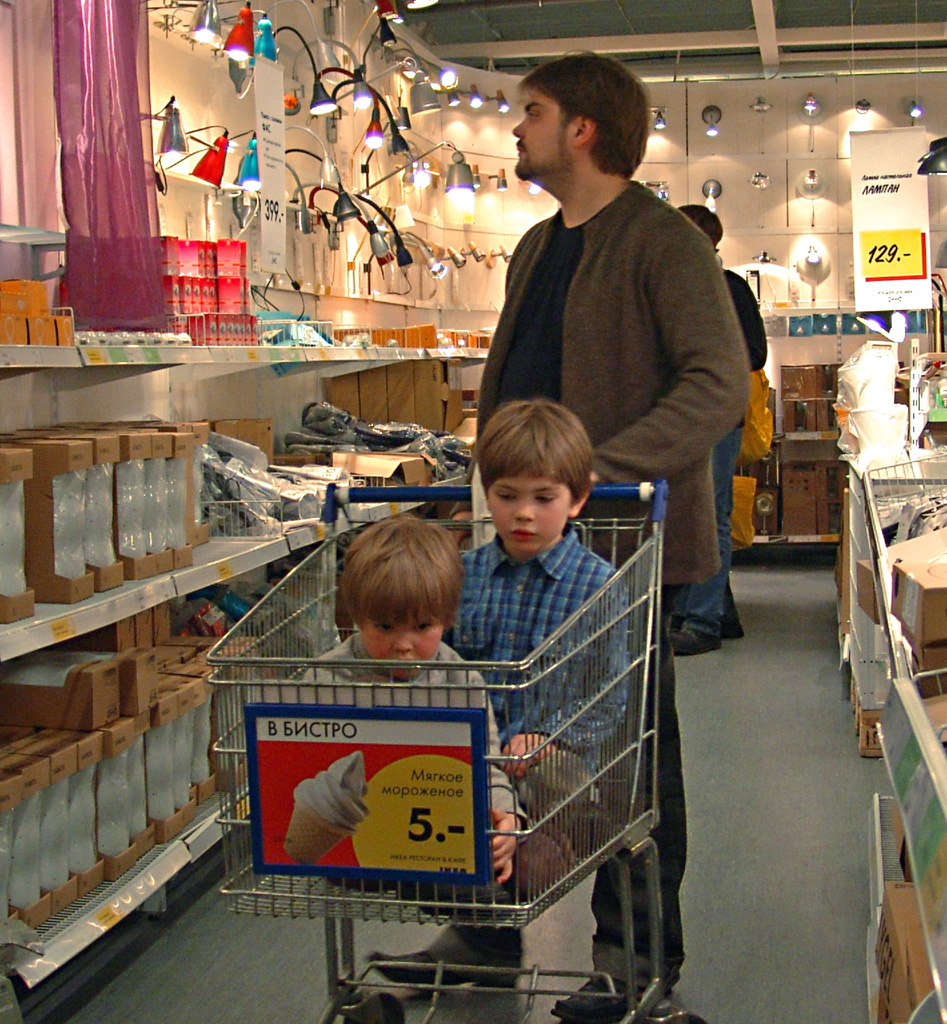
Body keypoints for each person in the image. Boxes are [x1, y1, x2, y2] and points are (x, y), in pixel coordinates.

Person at [469, 53, 748, 1024]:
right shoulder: (535, 248)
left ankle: (632, 963)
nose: (517, 129)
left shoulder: (659, 241)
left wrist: (597, 469)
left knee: (624, 760)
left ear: (582, 128)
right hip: (519, 550)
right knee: (496, 743)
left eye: (532, 112)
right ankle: (481, 926)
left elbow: (718, 382)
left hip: (624, 552)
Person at [372, 397, 618, 983]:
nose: (523, 515)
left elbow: (611, 698)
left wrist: (552, 736)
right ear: (485, 492)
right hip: (472, 761)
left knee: (528, 858)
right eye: (506, 497)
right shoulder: (464, 574)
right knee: (400, 830)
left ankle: (496, 905)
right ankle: (483, 934)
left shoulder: (602, 585)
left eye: (543, 498)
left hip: (551, 771)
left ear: (577, 498)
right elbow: (441, 665)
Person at [319, 516, 519, 886]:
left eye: (423, 627)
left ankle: (476, 941)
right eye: (384, 627)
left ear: (447, 619)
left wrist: (506, 815)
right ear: (358, 617)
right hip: (353, 840)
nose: (403, 645)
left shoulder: (460, 681)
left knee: (498, 882)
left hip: (438, 841)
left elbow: (486, 764)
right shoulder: (326, 680)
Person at [669, 205, 768, 656]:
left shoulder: (728, 290)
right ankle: (711, 611)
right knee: (692, 515)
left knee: (709, 514)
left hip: (712, 420)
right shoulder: (673, 290)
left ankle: (703, 621)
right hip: (680, 421)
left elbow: (755, 354)